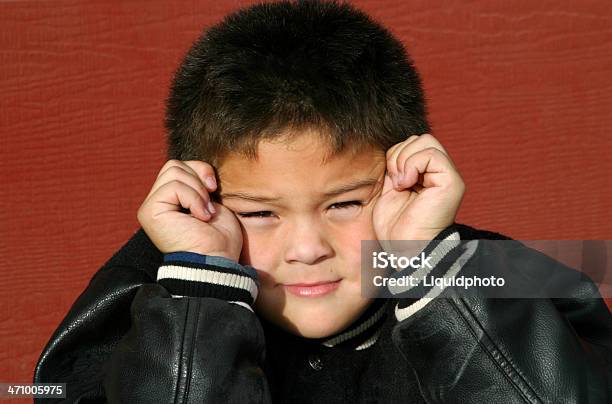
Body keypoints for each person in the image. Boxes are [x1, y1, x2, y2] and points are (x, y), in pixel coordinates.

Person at [34, 1, 611, 402]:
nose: (308, 249)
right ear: (201, 195)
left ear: (402, 180)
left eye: (344, 205)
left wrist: (423, 266)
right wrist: (200, 290)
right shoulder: (147, 296)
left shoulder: (501, 277)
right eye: (260, 213)